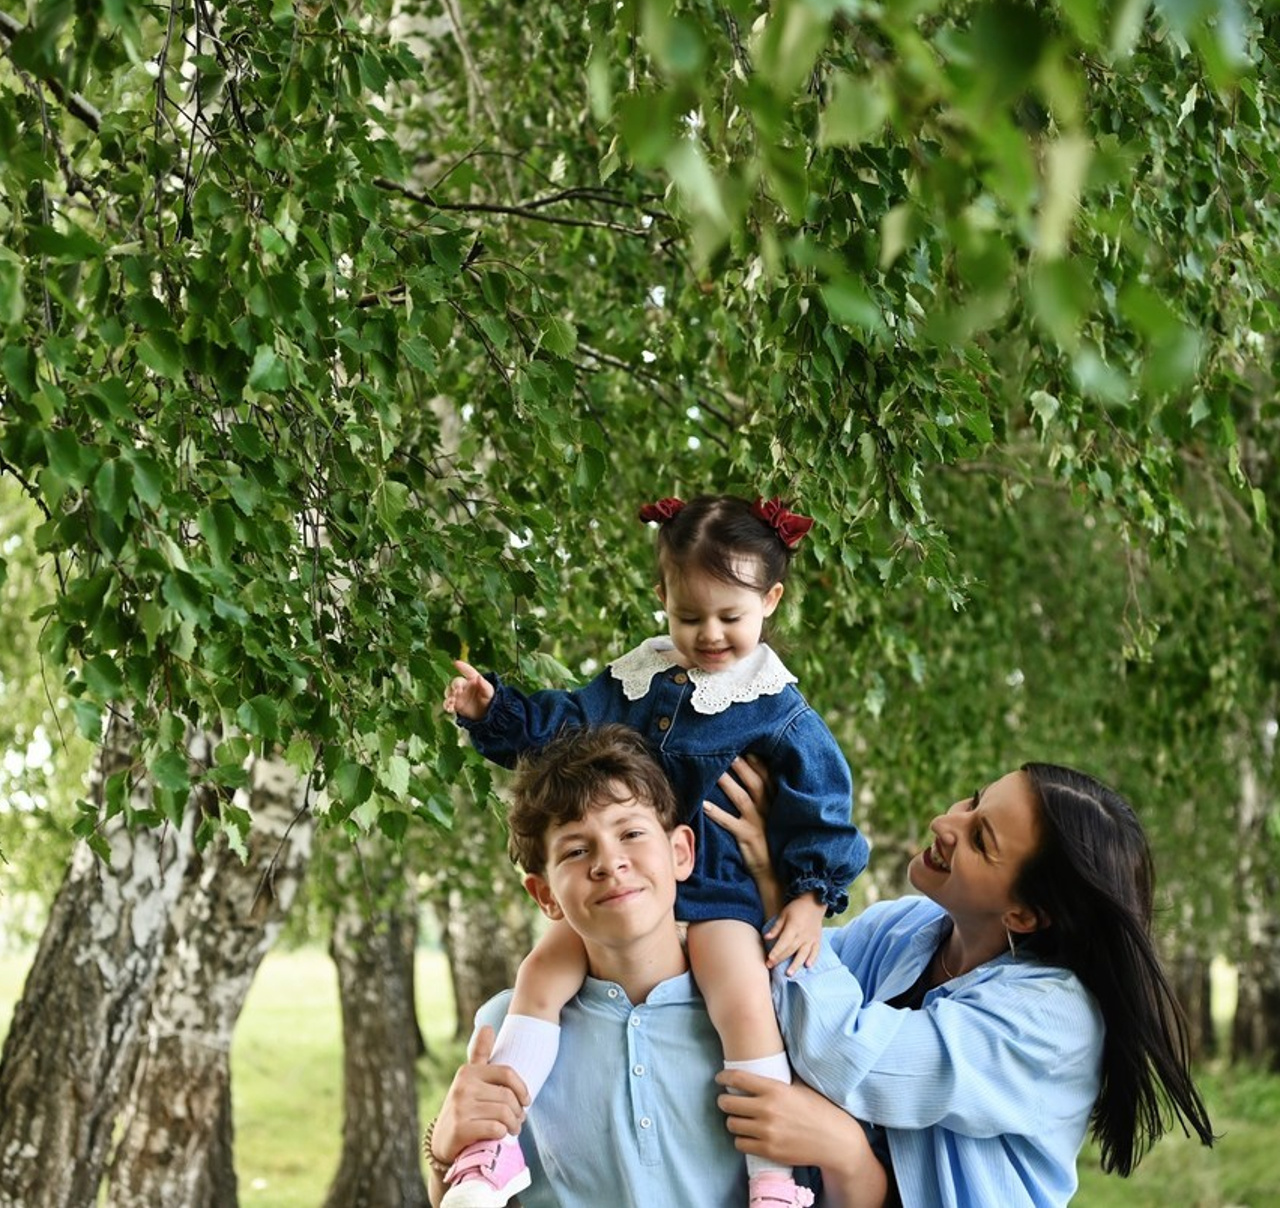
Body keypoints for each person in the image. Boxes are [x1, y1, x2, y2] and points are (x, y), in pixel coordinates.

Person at [440, 495, 868, 1208]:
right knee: (541, 971)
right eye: (689, 616)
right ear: (661, 598)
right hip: (623, 896)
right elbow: (566, 725)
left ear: (771, 600)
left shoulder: (777, 708)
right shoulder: (635, 681)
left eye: (730, 618)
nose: (709, 635)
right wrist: (498, 711)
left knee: (741, 1002)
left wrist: (809, 897)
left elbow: (822, 806)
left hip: (719, 892)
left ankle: (771, 1180)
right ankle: (488, 1150)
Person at [705, 755, 1217, 1208]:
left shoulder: (1047, 1021)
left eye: (980, 839)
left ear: (1023, 914)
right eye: (973, 802)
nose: (945, 822)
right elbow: (769, 973)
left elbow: (842, 1054)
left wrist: (780, 886)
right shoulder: (909, 928)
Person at [423, 725, 823, 1208]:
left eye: (631, 833)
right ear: (545, 895)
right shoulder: (509, 1028)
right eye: (575, 850)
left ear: (681, 852)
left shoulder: (763, 1013)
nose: (610, 863)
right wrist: (445, 1155)